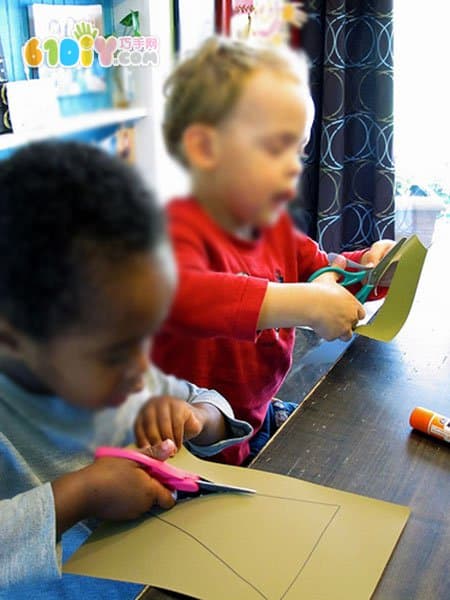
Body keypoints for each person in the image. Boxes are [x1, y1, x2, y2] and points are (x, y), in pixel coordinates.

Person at [0, 141, 252, 598]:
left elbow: (209, 401)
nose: (140, 373)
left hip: (162, 572)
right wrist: (80, 495)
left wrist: (196, 418)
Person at [151, 37, 396, 466]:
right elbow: (186, 295)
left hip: (257, 419)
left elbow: (327, 273)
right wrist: (302, 302)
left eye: (299, 149)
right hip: (189, 445)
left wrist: (372, 269)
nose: (294, 166)